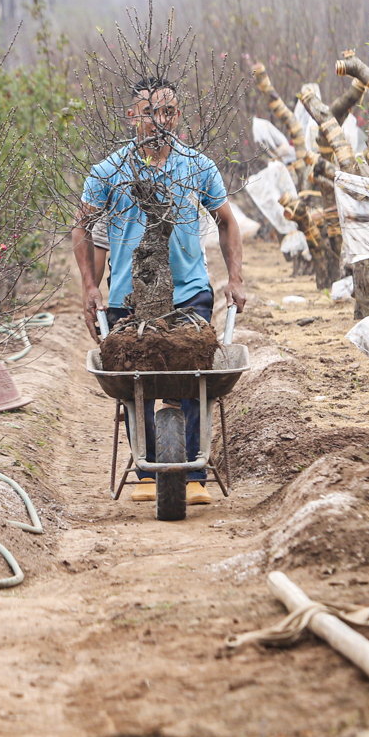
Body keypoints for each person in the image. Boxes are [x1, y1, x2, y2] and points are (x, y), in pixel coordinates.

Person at [73, 77, 249, 506]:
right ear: (132, 116)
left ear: (178, 115)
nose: (160, 120)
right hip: (128, 299)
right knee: (138, 381)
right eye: (150, 112)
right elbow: (83, 228)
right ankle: (147, 468)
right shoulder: (109, 172)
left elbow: (227, 221)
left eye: (168, 111)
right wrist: (90, 287)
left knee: (192, 380)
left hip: (189, 293)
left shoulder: (196, 166)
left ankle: (193, 473)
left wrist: (236, 277)